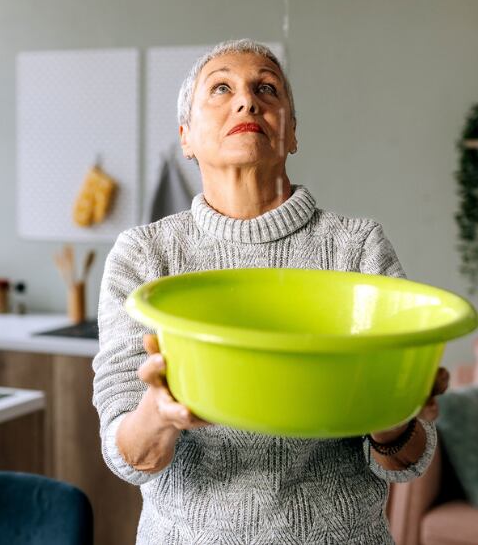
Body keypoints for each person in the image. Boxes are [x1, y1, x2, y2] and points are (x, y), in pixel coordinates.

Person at [92, 39, 449, 544]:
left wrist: (393, 419)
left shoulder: (356, 248)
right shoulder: (146, 255)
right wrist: (160, 411)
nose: (246, 101)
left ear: (293, 133)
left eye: (266, 88)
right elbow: (127, 456)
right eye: (221, 88)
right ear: (186, 137)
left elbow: (409, 461)